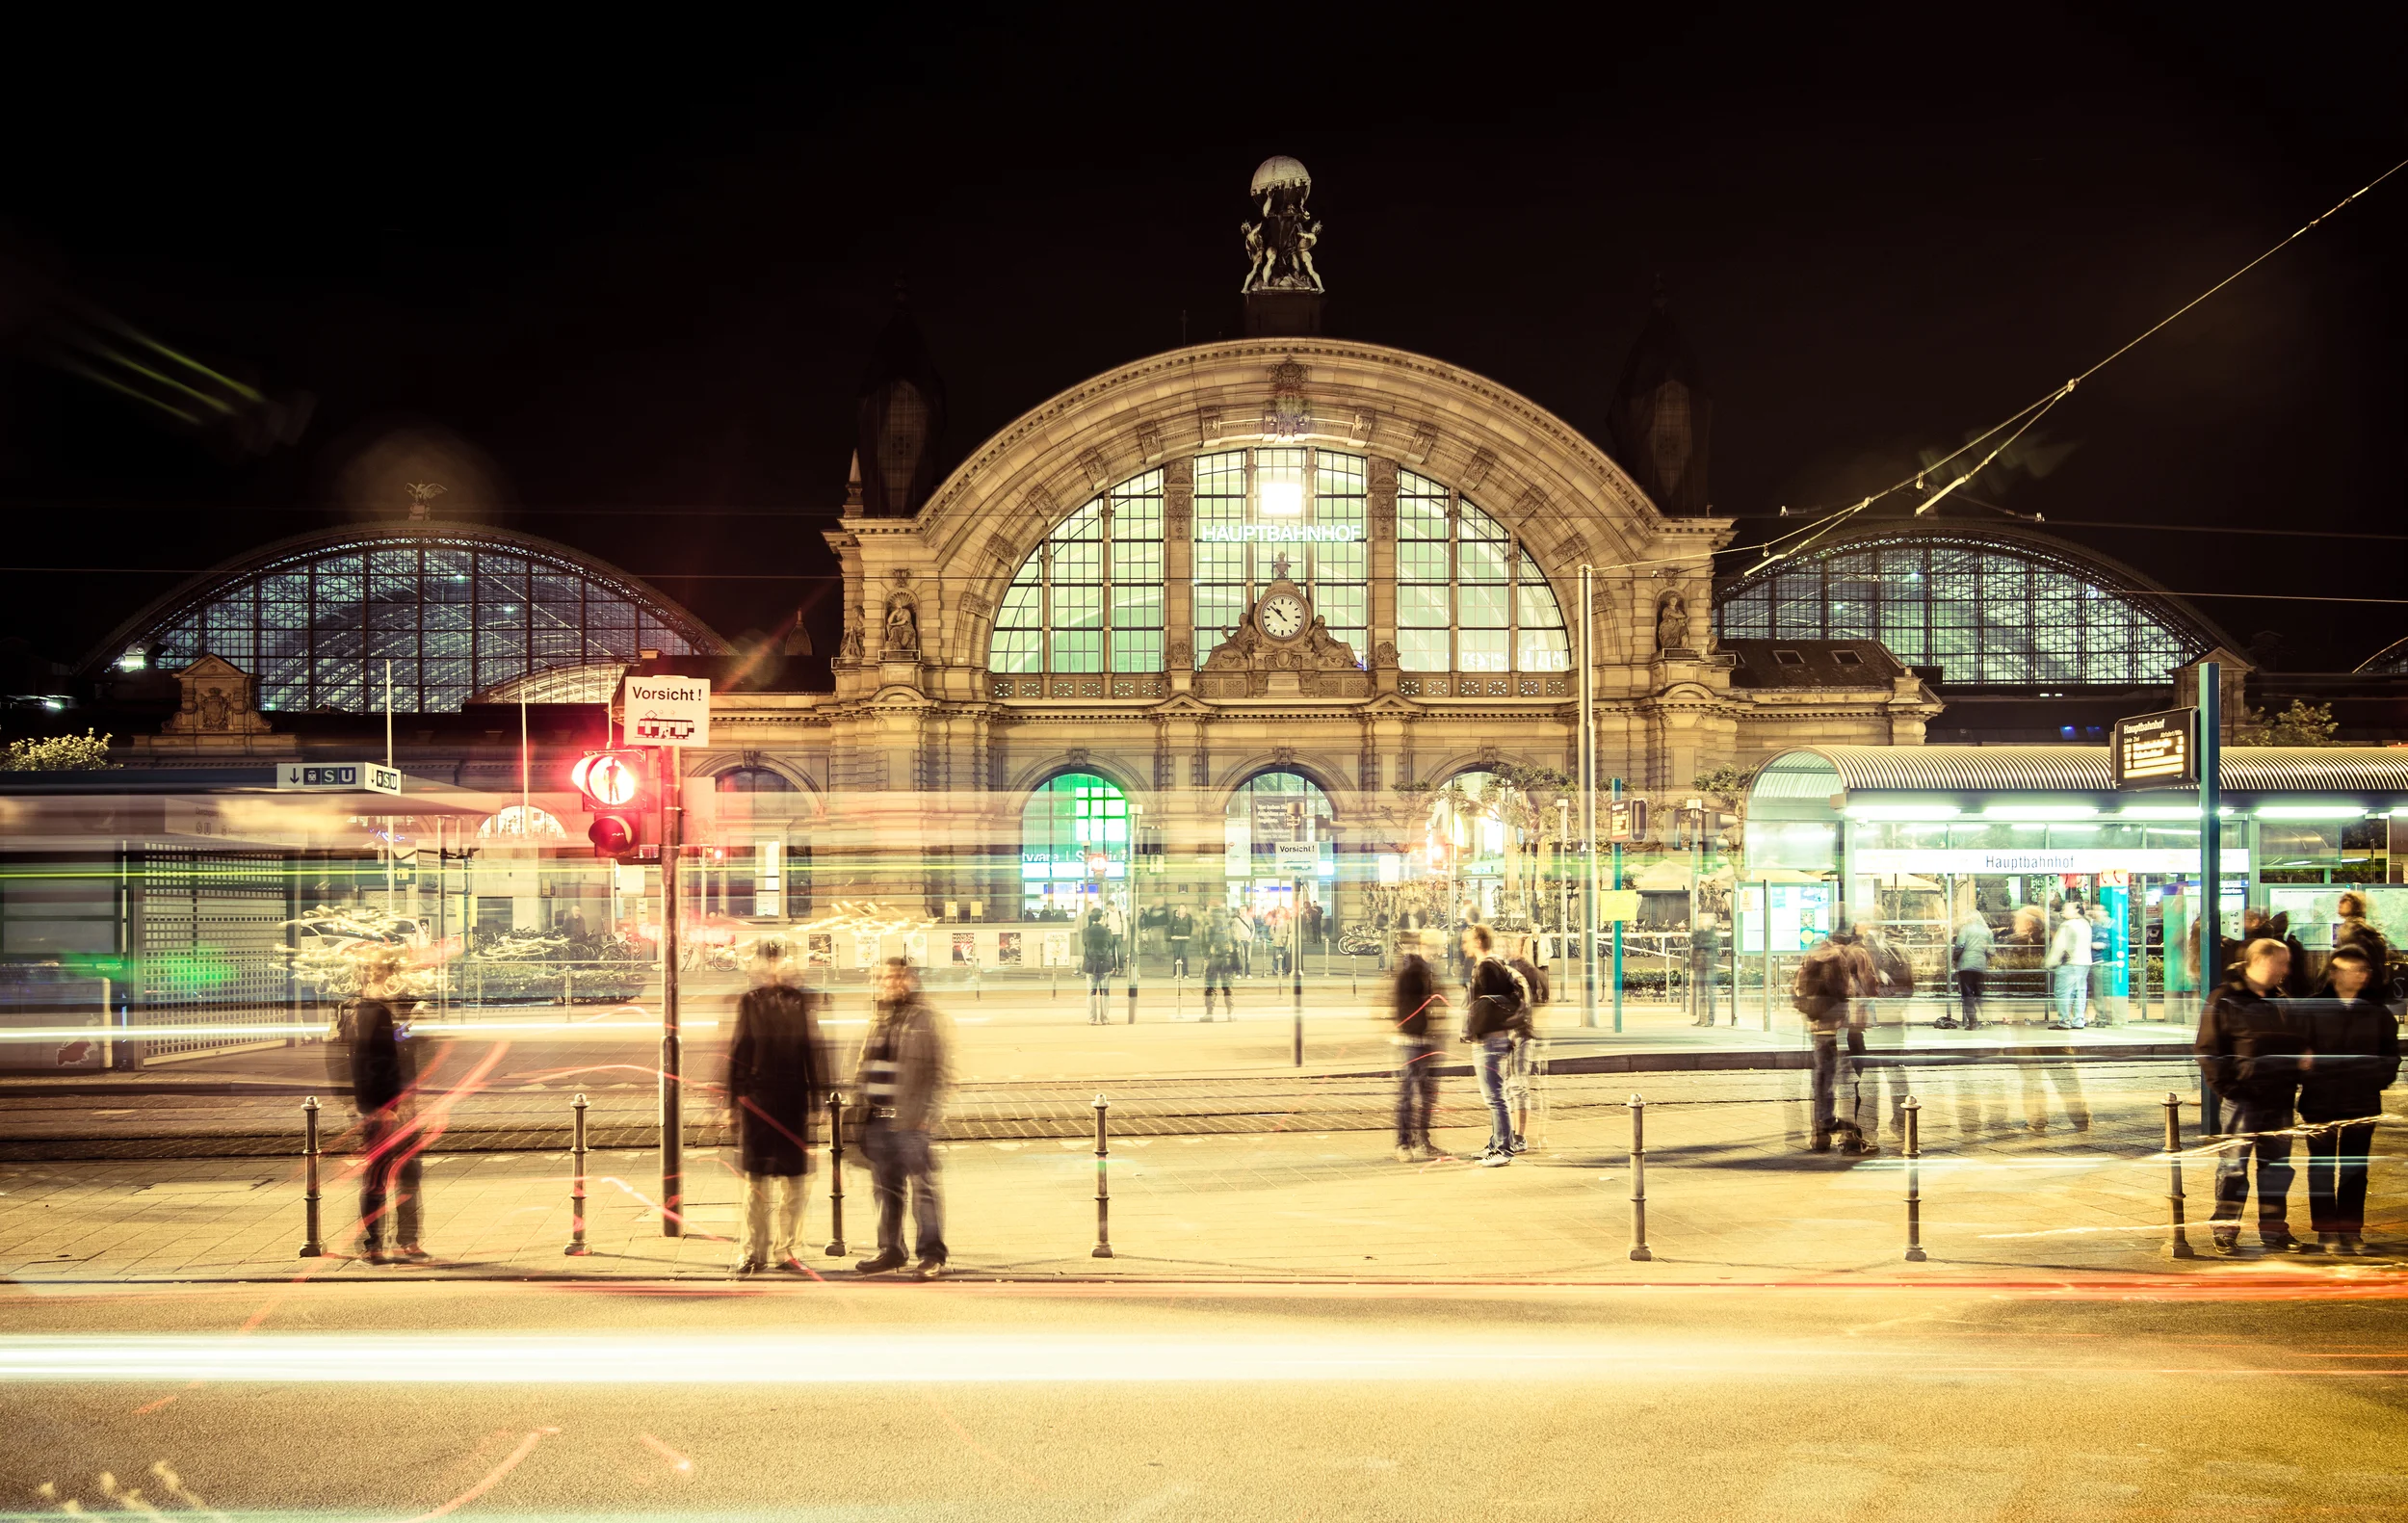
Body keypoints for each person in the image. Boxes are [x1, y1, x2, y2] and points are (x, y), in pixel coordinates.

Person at [2196, 937, 2310, 1255]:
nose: (2287, 970)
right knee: (2233, 1167)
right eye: (2282, 962)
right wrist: (2229, 1089)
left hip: (2279, 1097)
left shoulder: (2281, 999)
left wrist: (2300, 1064)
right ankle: (2225, 1230)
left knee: (2277, 1169)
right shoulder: (2225, 998)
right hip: (2243, 1099)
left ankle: (2274, 1231)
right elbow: (2208, 1049)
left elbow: (2295, 1041)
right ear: (2261, 961)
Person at [722, 937, 824, 1274]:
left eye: (780, 961)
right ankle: (753, 1252)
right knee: (756, 1184)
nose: (774, 967)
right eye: (769, 961)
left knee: (794, 1184)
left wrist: (819, 1097)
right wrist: (731, 1103)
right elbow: (738, 1050)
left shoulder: (801, 1001)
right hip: (758, 1101)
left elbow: (814, 1048)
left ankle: (788, 1251)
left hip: (793, 1100)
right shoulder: (749, 1002)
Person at [854, 958, 953, 1278]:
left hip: (911, 1120)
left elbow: (940, 1072)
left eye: (897, 976)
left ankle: (931, 1254)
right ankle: (891, 1250)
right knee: (886, 1188)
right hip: (878, 1119)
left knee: (923, 1188)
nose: (890, 982)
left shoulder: (925, 1019)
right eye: (884, 977)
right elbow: (864, 1064)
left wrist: (928, 1116)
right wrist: (859, 1106)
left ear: (910, 979)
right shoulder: (880, 1016)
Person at [2298, 944, 2397, 1254]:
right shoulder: (2312, 1008)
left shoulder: (2376, 1012)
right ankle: (2326, 1232)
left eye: (2365, 970)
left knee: (2355, 1168)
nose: (2362, 975)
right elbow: (2299, 1053)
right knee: (2322, 1166)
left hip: (2361, 1100)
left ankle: (2351, 1230)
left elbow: (2390, 1058)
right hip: (2320, 1100)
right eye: (2355, 969)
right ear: (2336, 973)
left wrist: (2374, 1080)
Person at [347, 950, 427, 1263]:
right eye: (380, 971)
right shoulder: (366, 1010)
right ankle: (373, 1244)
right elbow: (362, 1065)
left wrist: (410, 1097)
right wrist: (376, 1107)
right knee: (379, 1178)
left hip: (402, 1106)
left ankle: (406, 1240)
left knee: (408, 1175)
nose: (388, 977)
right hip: (383, 1110)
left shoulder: (388, 1008)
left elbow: (402, 1058)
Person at [1794, 929, 1877, 1155]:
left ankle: (1819, 1137)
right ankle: (1851, 1137)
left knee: (1822, 1082)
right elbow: (1853, 989)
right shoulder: (1846, 957)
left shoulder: (1812, 956)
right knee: (1850, 1082)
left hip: (1817, 1028)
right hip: (1842, 1028)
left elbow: (1798, 989)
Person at [1458, 924, 1532, 1166]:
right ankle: (1496, 1144)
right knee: (1495, 1096)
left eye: (1466, 941)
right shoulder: (1493, 965)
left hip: (1490, 1039)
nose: (1463, 946)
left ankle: (1503, 1149)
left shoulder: (1488, 967)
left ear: (1478, 942)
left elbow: (1489, 1007)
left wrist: (1476, 1028)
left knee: (1495, 1097)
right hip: (1494, 1038)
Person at [1389, 934, 1445, 1162]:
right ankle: (1404, 1142)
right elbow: (1403, 1004)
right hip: (1412, 1040)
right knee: (1408, 1094)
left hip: (1426, 1039)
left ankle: (1421, 1140)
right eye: (1430, 947)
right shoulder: (1411, 972)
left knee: (1427, 1093)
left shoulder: (1427, 971)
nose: (1435, 951)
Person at [2044, 903, 2093, 1030]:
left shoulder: (2067, 925)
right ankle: (2078, 1020)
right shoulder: (2085, 924)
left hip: (2070, 964)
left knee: (2063, 993)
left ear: (2077, 910)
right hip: (2085, 963)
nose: (2063, 911)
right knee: (2080, 992)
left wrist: (2050, 962)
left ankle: (2064, 1021)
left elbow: (2059, 946)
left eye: (2066, 909)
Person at [1942, 911, 1993, 1030]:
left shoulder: (1966, 928)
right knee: (1979, 993)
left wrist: (1955, 958)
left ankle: (1972, 1022)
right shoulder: (1987, 931)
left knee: (1967, 994)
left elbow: (1960, 945)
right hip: (1980, 966)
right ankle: (1986, 1018)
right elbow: (1991, 950)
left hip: (1966, 965)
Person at [1081, 906, 1116, 1025]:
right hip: (1104, 964)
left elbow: (1085, 944)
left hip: (1090, 964)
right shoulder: (1107, 931)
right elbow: (1110, 944)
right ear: (1102, 918)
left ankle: (1091, 1019)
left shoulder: (1086, 931)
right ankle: (1105, 1018)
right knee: (1104, 993)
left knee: (1091, 992)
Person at [1202, 906, 1237, 1020]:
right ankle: (1230, 1013)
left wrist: (1206, 957)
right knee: (1228, 987)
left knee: (1210, 986)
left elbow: (1203, 944)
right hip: (1226, 959)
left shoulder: (1208, 927)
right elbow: (1235, 943)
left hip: (1213, 959)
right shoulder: (1229, 927)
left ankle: (1209, 1014)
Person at [2086, 903, 2118, 1027]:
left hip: (2102, 963)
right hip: (2100, 963)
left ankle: (2103, 1018)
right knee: (2101, 993)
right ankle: (2104, 1017)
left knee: (2100, 993)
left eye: (2097, 910)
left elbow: (2105, 944)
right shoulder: (2094, 925)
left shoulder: (2103, 926)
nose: (2094, 912)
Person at [1689, 913, 1722, 1027]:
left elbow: (1712, 944)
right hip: (1699, 965)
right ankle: (1702, 1018)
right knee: (1701, 993)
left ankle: (1711, 1018)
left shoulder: (1712, 932)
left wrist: (1701, 943)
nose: (1700, 921)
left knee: (1710, 993)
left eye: (1702, 919)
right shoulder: (1697, 932)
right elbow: (1694, 941)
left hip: (1709, 966)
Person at [1166, 906, 1194, 980]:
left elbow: (1191, 926)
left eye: (1184, 908)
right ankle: (1176, 973)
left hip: (1185, 938)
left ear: (1186, 909)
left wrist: (1189, 935)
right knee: (1176, 956)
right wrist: (1172, 935)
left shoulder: (1188, 917)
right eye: (1181, 908)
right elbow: (1170, 926)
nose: (1182, 909)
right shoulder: (1174, 916)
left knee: (1184, 956)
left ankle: (1185, 973)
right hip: (1176, 938)